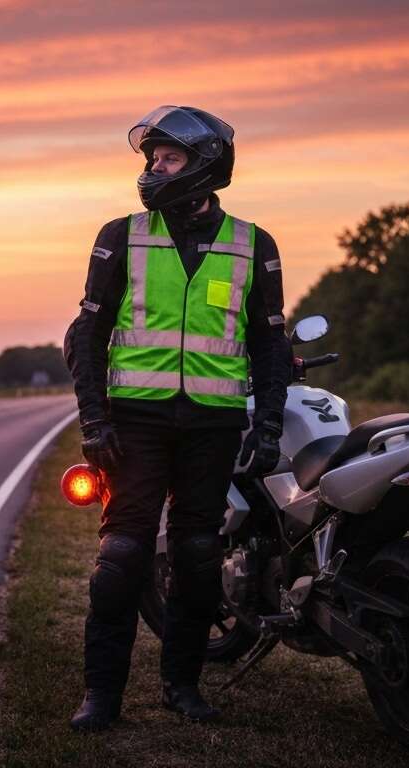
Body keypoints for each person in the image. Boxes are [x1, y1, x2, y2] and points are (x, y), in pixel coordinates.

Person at [63, 105, 291, 731]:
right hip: (135, 424)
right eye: (151, 159)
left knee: (196, 556)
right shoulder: (122, 235)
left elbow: (272, 345)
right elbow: (87, 334)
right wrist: (93, 422)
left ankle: (181, 686)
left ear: (206, 165)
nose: (153, 169)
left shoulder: (253, 244)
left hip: (213, 426)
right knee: (120, 562)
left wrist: (267, 427)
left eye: (167, 158)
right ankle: (101, 695)